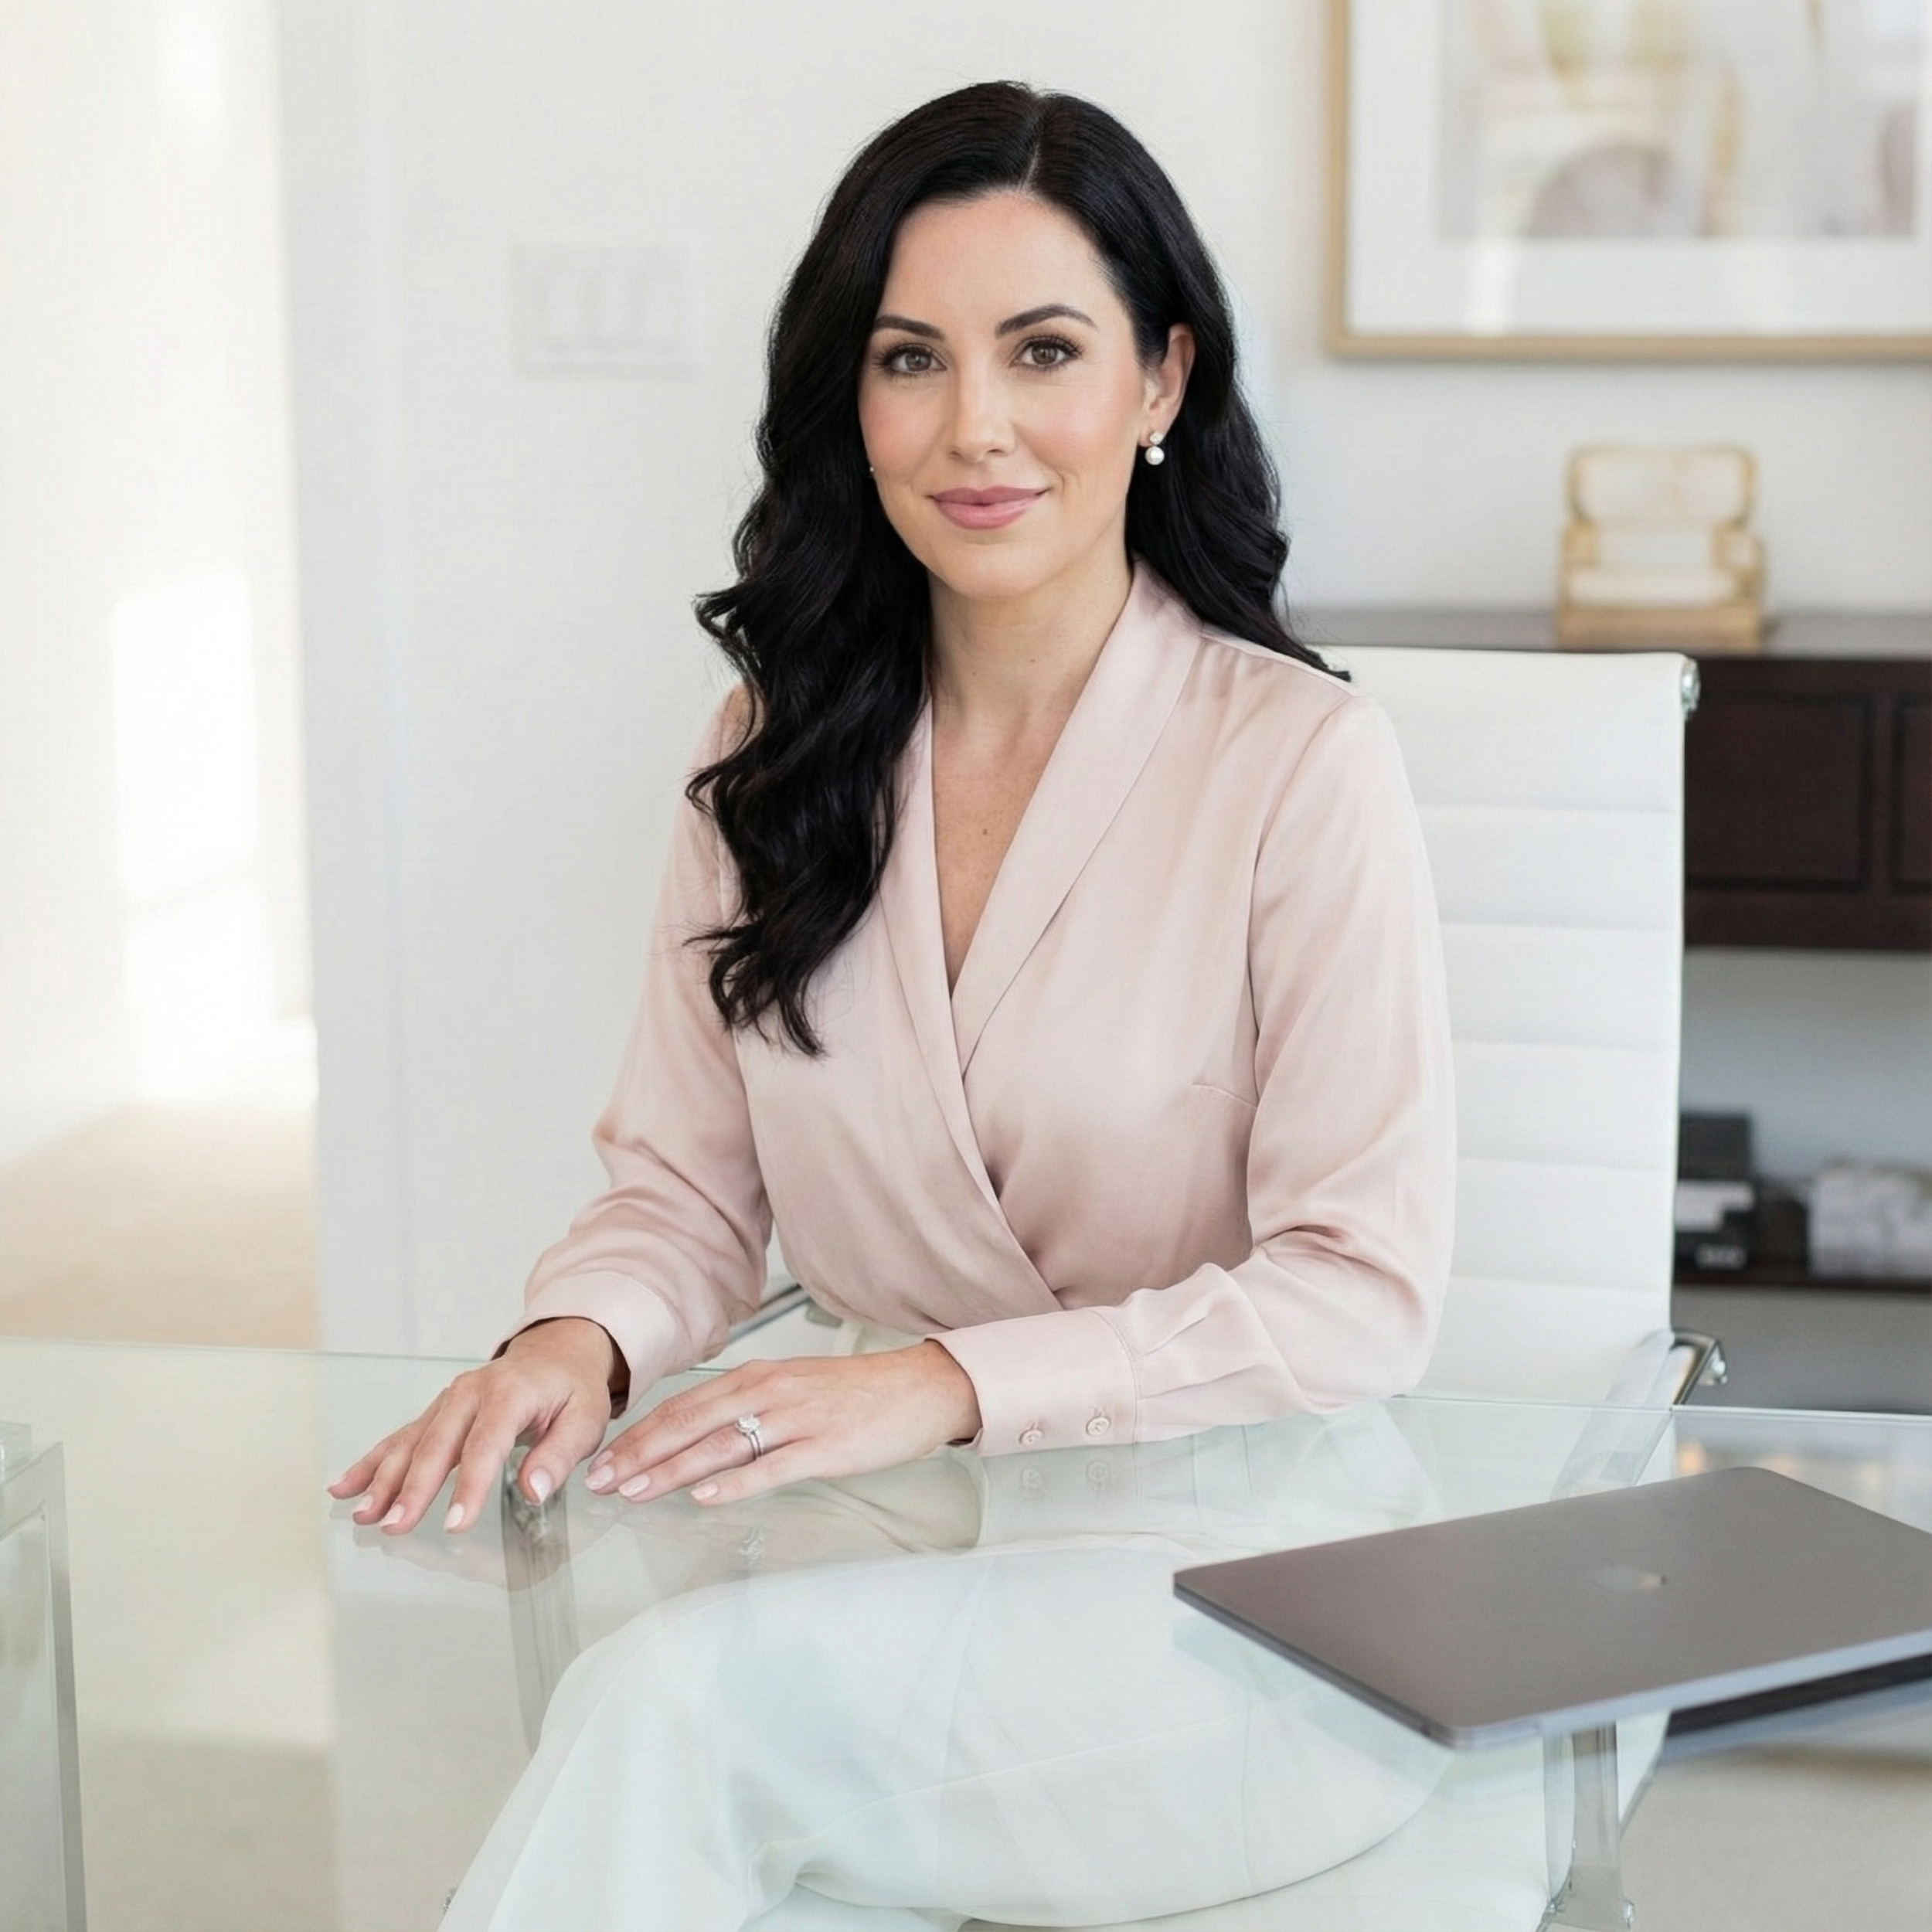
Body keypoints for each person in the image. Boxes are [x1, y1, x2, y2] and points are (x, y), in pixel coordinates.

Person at [332, 77, 1459, 1923]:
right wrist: (575, 1341)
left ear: (1161, 382)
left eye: (1042, 350)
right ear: (846, 402)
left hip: (1237, 1578)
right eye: (909, 359)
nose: (976, 426)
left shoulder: (1299, 763)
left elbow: (1360, 1289)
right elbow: (685, 1195)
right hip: (873, 1548)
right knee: (640, 1706)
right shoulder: (772, 758)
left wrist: (940, 1382)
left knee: (663, 1718)